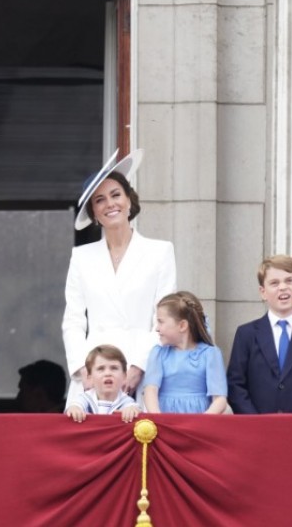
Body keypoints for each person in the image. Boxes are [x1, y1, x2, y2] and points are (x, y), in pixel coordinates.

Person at [61, 149, 177, 406]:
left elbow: (163, 318)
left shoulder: (160, 252)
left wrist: (137, 366)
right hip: (94, 373)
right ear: (93, 212)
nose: (110, 204)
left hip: (142, 372)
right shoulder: (81, 257)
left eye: (116, 195)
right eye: (100, 200)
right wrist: (84, 369)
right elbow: (73, 320)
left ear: (129, 200)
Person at [227, 256, 292, 414]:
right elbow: (235, 385)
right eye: (274, 283)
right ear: (263, 292)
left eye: (289, 281)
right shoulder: (246, 334)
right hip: (257, 428)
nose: (283, 287)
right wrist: (255, 422)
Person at [142, 291, 227, 414]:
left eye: (161, 321)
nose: (157, 328)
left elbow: (219, 399)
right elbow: (150, 390)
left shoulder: (210, 354)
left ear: (182, 325)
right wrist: (158, 418)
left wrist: (199, 423)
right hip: (166, 422)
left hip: (199, 424)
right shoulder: (158, 354)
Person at [65, 345, 140, 423]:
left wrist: (131, 411)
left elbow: (134, 409)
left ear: (124, 375)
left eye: (114, 368)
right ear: (89, 377)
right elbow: (74, 406)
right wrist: (75, 409)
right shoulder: (85, 398)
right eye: (101, 369)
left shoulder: (126, 401)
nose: (108, 373)